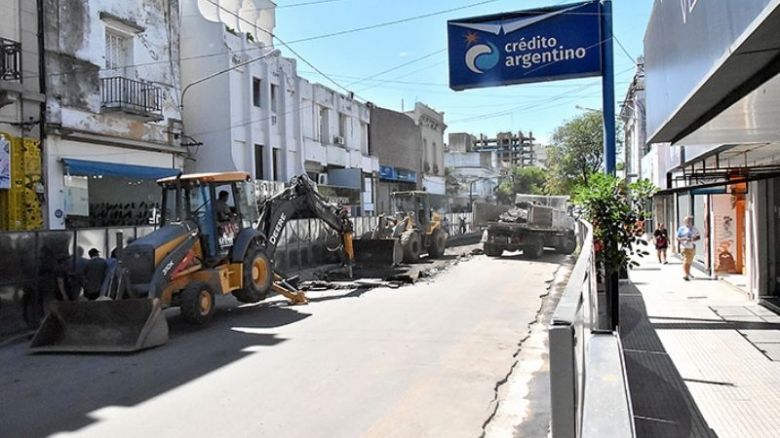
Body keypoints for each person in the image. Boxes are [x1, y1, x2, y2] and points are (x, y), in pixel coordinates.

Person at [676, 216, 701, 281]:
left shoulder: (694, 229)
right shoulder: (681, 229)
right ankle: (685, 275)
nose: (689, 222)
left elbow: (698, 237)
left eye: (690, 220)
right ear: (684, 221)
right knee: (686, 260)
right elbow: (677, 238)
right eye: (687, 221)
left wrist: (693, 239)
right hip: (684, 247)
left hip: (692, 247)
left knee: (689, 261)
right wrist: (684, 239)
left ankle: (688, 272)